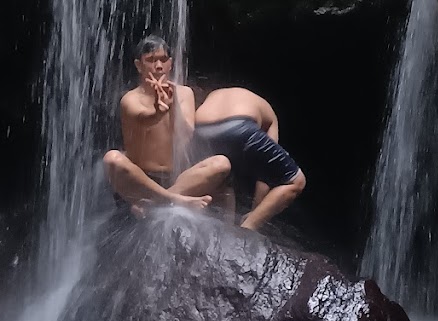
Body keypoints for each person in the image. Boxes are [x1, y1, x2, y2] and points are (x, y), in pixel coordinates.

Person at [103, 35, 231, 212]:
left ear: (170, 63)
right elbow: (143, 118)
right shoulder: (130, 98)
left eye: (163, 60)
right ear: (139, 66)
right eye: (150, 60)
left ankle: (156, 203)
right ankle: (174, 199)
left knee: (221, 163)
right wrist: (158, 112)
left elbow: (186, 135)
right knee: (112, 159)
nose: (158, 66)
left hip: (178, 178)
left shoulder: (184, 93)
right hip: (141, 179)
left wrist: (173, 106)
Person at [193, 86, 305, 230]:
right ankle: (247, 228)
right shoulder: (269, 114)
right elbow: (265, 175)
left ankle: (223, 230)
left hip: (201, 129)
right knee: (295, 181)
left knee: (223, 182)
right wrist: (255, 212)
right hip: (240, 124)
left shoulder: (215, 95)